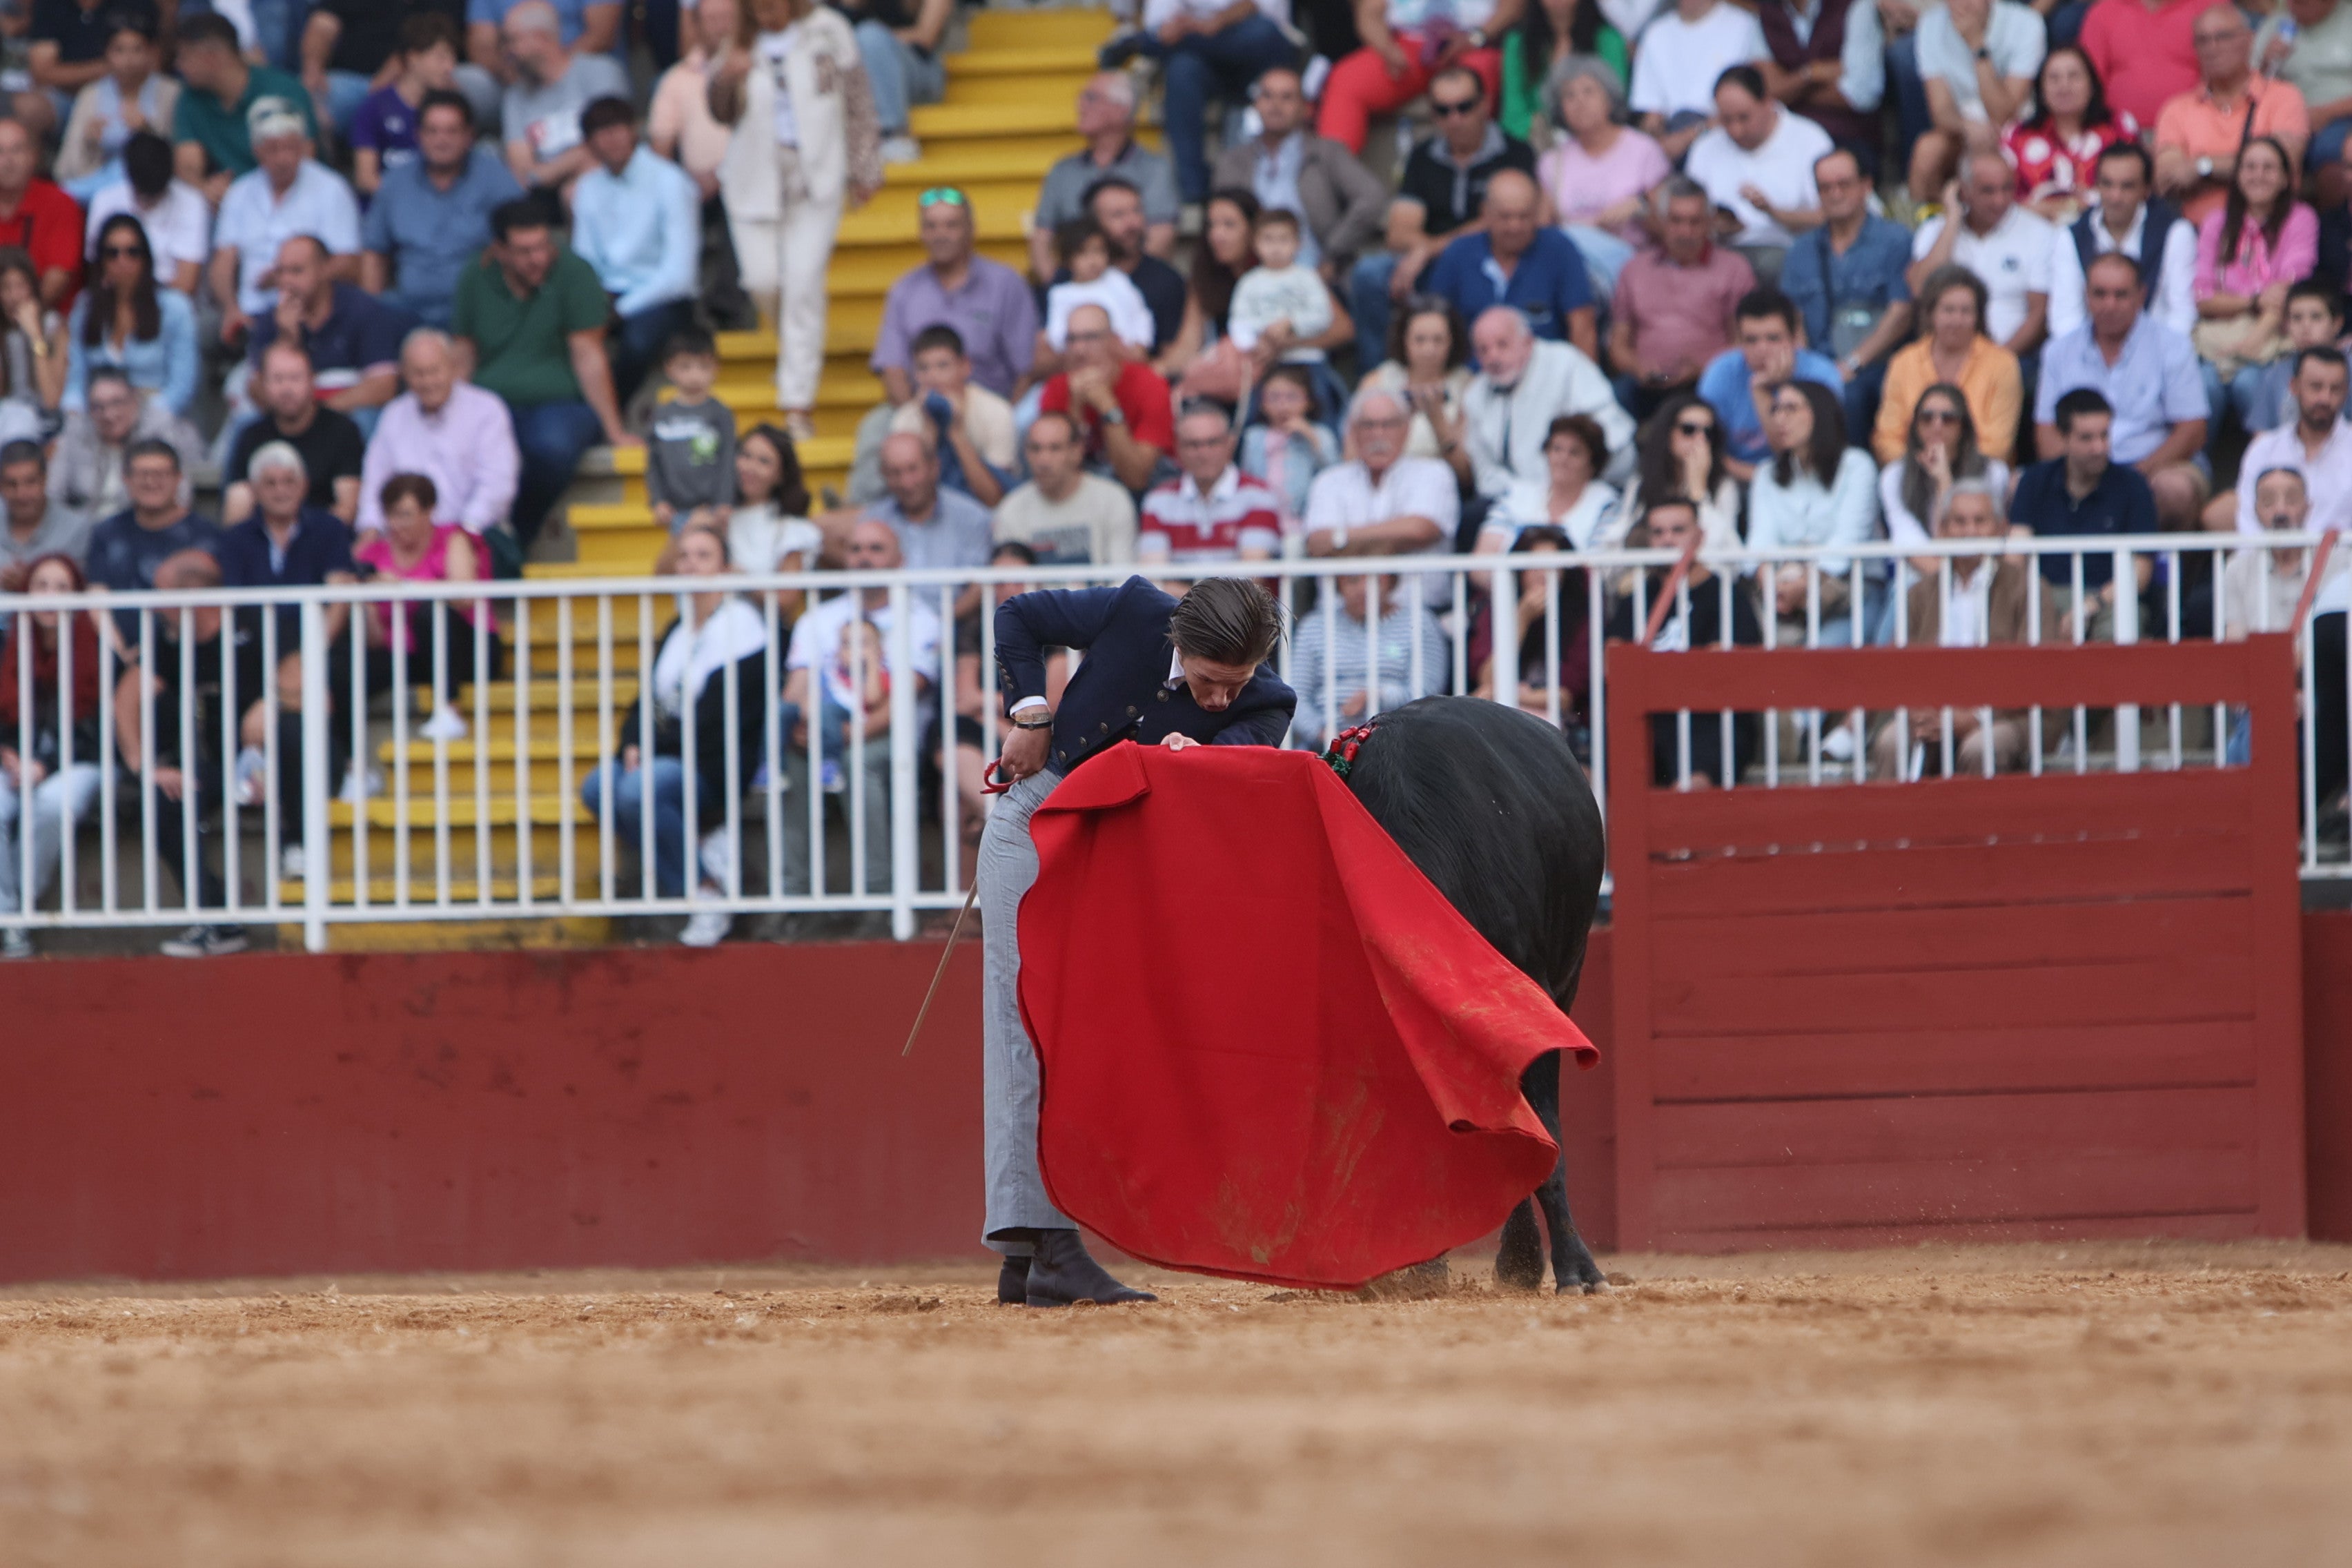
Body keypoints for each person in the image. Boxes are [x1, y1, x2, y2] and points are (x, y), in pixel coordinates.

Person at [983, 574, 1294, 1305]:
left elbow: (1247, 763)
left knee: (1087, 1041)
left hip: (1118, 867)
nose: (1221, 700)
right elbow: (1017, 616)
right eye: (1212, 683)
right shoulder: (1134, 609)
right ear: (1180, 646)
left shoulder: (1266, 698)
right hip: (1037, 820)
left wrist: (1207, 757)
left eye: (1235, 683)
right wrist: (1031, 713)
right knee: (1023, 1033)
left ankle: (1032, 1256)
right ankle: (1046, 1247)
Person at [584, 522, 767, 945]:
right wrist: (631, 742)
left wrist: (650, 749)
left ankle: (702, 893)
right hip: (666, 753)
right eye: (684, 556)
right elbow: (649, 699)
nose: (690, 565)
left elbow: (718, 715)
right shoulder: (677, 627)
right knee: (598, 787)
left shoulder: (741, 624)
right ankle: (703, 873)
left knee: (636, 792)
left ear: (726, 568)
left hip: (712, 761)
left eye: (703, 556)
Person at [711, 0, 883, 441]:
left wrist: (865, 168)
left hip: (818, 175)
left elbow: (857, 97)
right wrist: (728, 76)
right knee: (762, 281)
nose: (766, 13)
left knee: (804, 283)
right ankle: (795, 356)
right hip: (754, 179)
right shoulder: (737, 41)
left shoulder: (829, 30)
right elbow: (721, 114)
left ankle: (796, 402)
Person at [777, 517, 938, 912]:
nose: (864, 558)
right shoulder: (818, 617)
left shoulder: (920, 617)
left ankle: (879, 899)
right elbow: (797, 685)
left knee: (856, 762)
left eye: (876, 549)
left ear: (899, 560)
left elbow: (902, 699)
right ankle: (792, 901)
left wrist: (846, 735)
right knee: (788, 762)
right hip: (825, 727)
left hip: (891, 736)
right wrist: (800, 725)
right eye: (856, 549)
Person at [452, 198, 633, 547]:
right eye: (523, 251)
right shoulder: (475, 276)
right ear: (500, 250)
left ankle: (514, 537)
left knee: (551, 447)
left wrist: (615, 430)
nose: (537, 258)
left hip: (559, 402)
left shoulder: (575, 271)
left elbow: (588, 353)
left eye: (542, 247)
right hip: (491, 404)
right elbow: (463, 353)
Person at [216, 441, 360, 874]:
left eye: (289, 481)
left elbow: (340, 595)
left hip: (317, 649)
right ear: (255, 490)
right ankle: (330, 785)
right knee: (294, 729)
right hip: (255, 653)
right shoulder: (235, 538)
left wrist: (305, 660)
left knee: (309, 697)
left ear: (305, 486)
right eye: (270, 483)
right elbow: (236, 608)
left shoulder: (330, 529)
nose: (280, 490)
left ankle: (257, 755)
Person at [1351, 65, 1536, 373]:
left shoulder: (1514, 153)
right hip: (1433, 262)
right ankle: (1382, 378)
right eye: (1443, 110)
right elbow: (1398, 232)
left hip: (1489, 257)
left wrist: (1428, 248)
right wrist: (1425, 250)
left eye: (1465, 107)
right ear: (1433, 115)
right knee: (1369, 273)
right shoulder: (1423, 156)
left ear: (1485, 105)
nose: (1455, 119)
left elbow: (1503, 222)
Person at [112, 548, 245, 957]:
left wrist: (269, 707)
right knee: (164, 798)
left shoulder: (253, 625)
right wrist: (144, 766)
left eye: (162, 595)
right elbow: (125, 701)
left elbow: (300, 689)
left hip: (262, 761)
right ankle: (216, 918)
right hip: (206, 765)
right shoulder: (169, 641)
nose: (154, 607)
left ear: (193, 595)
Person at [1871, 480, 2053, 776]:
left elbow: (2034, 673)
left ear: (2000, 528)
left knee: (1981, 747)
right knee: (1892, 740)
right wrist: (1921, 712)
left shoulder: (2027, 588)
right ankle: (1895, 824)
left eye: (1980, 521)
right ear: (1942, 530)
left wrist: (1975, 718)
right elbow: (1899, 669)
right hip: (1931, 715)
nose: (1969, 531)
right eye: (1959, 522)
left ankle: (1977, 825)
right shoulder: (1920, 594)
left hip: (2003, 717)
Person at [2032, 253, 2208, 531]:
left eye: (2120, 295)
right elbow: (2046, 432)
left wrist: (2134, 475)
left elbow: (2192, 429)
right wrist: (2079, 474)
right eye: (2100, 294)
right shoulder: (2058, 351)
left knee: (2175, 491)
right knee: (2019, 488)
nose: (2109, 305)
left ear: (2141, 295)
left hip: (2155, 467)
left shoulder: (2173, 346)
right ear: (2086, 295)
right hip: (2077, 467)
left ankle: (2164, 574)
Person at [1602, 495, 1763, 784]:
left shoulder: (1728, 595)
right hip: (1646, 721)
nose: (1667, 540)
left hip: (1710, 722)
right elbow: (1612, 664)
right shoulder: (1636, 599)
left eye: (1678, 530)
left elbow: (1720, 670)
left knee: (1694, 784)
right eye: (1658, 532)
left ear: (1699, 536)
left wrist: (1651, 673)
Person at [0, 551, 102, 957]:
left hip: (80, 761)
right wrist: (7, 753)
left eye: (62, 587)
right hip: (15, 759)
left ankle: (18, 913)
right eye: (41, 585)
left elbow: (99, 735)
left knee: (52, 805)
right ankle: (7, 913)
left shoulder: (95, 647)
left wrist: (46, 766)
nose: (50, 596)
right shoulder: (6, 646)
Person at [1101, 0, 1297, 206]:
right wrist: (1191, 29)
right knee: (1181, 70)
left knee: (1261, 31)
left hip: (1259, 59)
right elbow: (1161, 26)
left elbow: (1266, 13)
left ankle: (1142, 44)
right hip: (1205, 62)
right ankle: (1194, 192)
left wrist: (1211, 24)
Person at [1776, 148, 1913, 444]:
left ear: (1866, 186)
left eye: (1844, 184)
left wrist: (1853, 363)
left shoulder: (1895, 240)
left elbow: (1901, 312)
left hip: (1876, 362)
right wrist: (1808, 367)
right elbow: (1792, 318)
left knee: (1852, 395)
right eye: (1825, 187)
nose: (1835, 194)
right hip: (1818, 361)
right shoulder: (1801, 251)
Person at [359, 89, 526, 330]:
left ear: (470, 136)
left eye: (452, 131)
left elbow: (523, 240)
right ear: (418, 135)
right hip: (409, 308)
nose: (441, 140)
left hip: (476, 310)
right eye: (432, 131)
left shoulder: (496, 179)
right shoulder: (395, 183)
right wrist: (369, 313)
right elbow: (374, 253)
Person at [569, 96, 701, 402]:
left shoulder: (670, 181)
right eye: (601, 133)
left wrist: (623, 308)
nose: (611, 139)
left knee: (637, 344)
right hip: (607, 295)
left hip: (661, 298)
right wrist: (596, 301)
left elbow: (680, 275)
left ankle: (605, 417)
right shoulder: (588, 187)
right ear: (589, 144)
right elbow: (585, 259)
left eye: (617, 129)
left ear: (633, 131)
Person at [2193, 135, 2320, 439]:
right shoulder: (2216, 222)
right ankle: (2196, 470)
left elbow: (2288, 292)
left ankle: (2271, 471)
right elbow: (2202, 297)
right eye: (2249, 167)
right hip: (2220, 339)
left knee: (2248, 383)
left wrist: (2250, 344)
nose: (2258, 175)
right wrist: (2254, 301)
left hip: (2273, 337)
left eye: (2268, 168)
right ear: (2237, 176)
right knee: (2205, 384)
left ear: (2285, 179)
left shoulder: (2300, 218)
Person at [1211, 66, 1387, 282]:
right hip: (1250, 277)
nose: (1276, 105)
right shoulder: (1232, 161)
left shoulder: (1326, 153)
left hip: (1318, 274)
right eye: (1267, 96)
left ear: (1305, 109)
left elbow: (1372, 198)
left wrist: (1333, 252)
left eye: (1287, 97)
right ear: (1256, 104)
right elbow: (1220, 220)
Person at [351, 471, 496, 730]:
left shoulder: (453, 539)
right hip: (406, 652)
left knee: (430, 613)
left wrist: (405, 588)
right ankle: (348, 762)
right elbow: (373, 637)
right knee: (347, 669)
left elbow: (464, 597)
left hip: (467, 647)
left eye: (406, 515)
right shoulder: (372, 554)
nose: (397, 524)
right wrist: (368, 597)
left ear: (429, 511)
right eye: (391, 515)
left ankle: (449, 710)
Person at [2011, 386, 2159, 637]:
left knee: (2120, 625)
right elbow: (2016, 556)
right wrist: (2035, 595)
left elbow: (2141, 572)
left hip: (2108, 599)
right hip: (2045, 595)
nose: (2099, 447)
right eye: (2086, 438)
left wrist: (2092, 605)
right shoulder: (2034, 481)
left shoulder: (2133, 486)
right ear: (2063, 437)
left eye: (2104, 436)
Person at [208, 109, 362, 348]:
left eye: (290, 148)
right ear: (257, 151)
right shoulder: (240, 192)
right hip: (251, 313)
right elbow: (223, 259)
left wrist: (288, 278)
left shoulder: (332, 189)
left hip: (313, 312)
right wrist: (231, 308)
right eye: (273, 149)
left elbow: (349, 263)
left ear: (304, 148)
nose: (283, 158)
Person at [1607, 178, 1757, 421]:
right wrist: (1638, 367)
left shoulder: (1734, 269)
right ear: (1662, 222)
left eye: (1695, 222)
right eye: (1676, 221)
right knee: (1608, 402)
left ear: (1709, 223)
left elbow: (1745, 342)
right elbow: (1618, 345)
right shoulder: (1634, 270)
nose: (1685, 232)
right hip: (1644, 384)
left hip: (1709, 381)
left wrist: (1702, 366)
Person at [872, 187, 1037, 406]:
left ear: (971, 229)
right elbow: (892, 368)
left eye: (951, 225)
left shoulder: (1005, 284)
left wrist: (1007, 420)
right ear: (921, 232)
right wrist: (916, 420)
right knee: (873, 433)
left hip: (989, 406)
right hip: (921, 405)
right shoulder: (904, 289)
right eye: (931, 226)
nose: (941, 235)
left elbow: (1027, 369)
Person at [1747, 379, 1881, 646]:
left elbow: (1846, 543)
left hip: (1850, 593)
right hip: (1786, 598)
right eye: (1775, 410)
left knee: (1820, 656)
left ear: (1820, 413)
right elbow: (1760, 543)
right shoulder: (1766, 474)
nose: (1780, 419)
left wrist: (1802, 584)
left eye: (1791, 409)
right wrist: (1775, 585)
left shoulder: (1857, 466)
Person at [2154, 4, 2309, 227]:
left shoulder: (2283, 97)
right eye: (2203, 40)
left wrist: (2201, 166)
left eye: (2223, 37)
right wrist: (2245, 170)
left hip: (2267, 232)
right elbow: (2167, 178)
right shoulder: (2177, 109)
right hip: (2196, 234)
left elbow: (2284, 163)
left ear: (2249, 39)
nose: (2213, 47)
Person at [357, 327, 522, 536]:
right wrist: (371, 528)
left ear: (453, 368)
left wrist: (462, 534)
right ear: (405, 375)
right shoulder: (394, 415)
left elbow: (497, 487)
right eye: (418, 373)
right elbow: (376, 483)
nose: (427, 382)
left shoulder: (487, 410)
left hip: (477, 532)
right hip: (408, 541)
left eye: (434, 371)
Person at [1464, 304, 1634, 502]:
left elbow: (1613, 437)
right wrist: (1527, 494)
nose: (1493, 357)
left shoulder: (1565, 364)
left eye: (1502, 345)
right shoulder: (1475, 395)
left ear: (1527, 342)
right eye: (1483, 350)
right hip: (1516, 500)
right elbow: (1485, 473)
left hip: (1585, 490)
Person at [246, 235, 414, 435]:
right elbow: (257, 390)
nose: (286, 281)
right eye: (281, 272)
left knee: (364, 420)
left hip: (345, 414)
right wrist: (287, 340)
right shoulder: (271, 319)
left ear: (324, 269)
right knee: (245, 424)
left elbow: (383, 385)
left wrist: (318, 416)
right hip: (290, 416)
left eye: (297, 271)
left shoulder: (363, 310)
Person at [1683, 65, 1830, 286]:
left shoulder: (1809, 141)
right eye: (1726, 120)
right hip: (1719, 255)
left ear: (1768, 103)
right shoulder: (1705, 147)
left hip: (1787, 251)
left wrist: (1773, 212)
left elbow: (1828, 216)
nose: (1735, 131)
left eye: (1744, 118)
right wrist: (1717, 224)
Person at [1536, 57, 1665, 308]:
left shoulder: (1643, 150)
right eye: (1569, 96)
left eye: (1589, 91)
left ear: (1609, 98)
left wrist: (1640, 210)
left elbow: (1668, 227)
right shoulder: (1553, 162)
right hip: (1574, 268)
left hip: (1632, 266)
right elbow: (1544, 231)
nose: (1579, 102)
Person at [1426, 168, 1596, 359]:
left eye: (1524, 216)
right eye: (1505, 217)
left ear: (1536, 213)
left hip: (1544, 376)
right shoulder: (1459, 253)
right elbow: (1433, 322)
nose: (1515, 226)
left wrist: (1584, 383)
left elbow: (1583, 327)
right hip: (1472, 377)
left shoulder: (1559, 249)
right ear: (1486, 213)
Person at [1908, 149, 2055, 364]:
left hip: (2012, 357)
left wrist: (1995, 363)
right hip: (1942, 359)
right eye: (1988, 191)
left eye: (2007, 189)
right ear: (1963, 191)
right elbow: (1920, 288)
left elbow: (2038, 314)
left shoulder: (2039, 232)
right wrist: (1953, 219)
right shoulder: (1934, 230)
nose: (2000, 200)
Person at [1028, 72, 1181, 275]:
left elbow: (1161, 237)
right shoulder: (1062, 171)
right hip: (1076, 288)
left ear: (1122, 110)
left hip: (1136, 286)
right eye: (1081, 97)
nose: (1081, 105)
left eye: (1091, 98)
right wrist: (1059, 286)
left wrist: (1118, 287)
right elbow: (1041, 239)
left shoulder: (1154, 168)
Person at [1874, 264, 2026, 464]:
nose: (1957, 320)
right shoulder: (1903, 362)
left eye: (1966, 311)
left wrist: (1949, 467)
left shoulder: (2003, 364)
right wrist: (1922, 464)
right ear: (1931, 314)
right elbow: (1887, 437)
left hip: (1978, 473)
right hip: (1915, 470)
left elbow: (1999, 444)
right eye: (1948, 310)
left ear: (1978, 316)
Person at [2047, 141, 2197, 341]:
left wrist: (2156, 359)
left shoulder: (2175, 232)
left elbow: (2182, 313)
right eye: (2107, 184)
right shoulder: (2071, 236)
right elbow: (2065, 318)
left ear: (2146, 190)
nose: (2115, 196)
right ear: (2096, 186)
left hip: (2158, 352)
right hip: (2090, 356)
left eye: (2127, 186)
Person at [1315, 0, 1506, 155]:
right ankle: (1331, 177)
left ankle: (1481, 168)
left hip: (1475, 44)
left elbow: (1514, 6)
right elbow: (1369, 12)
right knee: (1347, 80)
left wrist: (1476, 37)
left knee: (1480, 75)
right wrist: (1386, 47)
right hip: (1409, 44)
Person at [1288, 571, 1449, 748]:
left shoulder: (1420, 622)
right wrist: (1327, 735)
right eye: (1353, 580)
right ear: (1338, 584)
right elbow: (1297, 696)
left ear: (1391, 580)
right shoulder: (1314, 626)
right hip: (1325, 743)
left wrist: (1377, 695)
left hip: (1399, 742)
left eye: (1375, 579)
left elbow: (1427, 692)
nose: (1363, 589)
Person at [1905, 0, 2044, 204]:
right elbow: (1941, 111)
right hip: (1964, 131)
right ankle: (1926, 227)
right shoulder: (1931, 25)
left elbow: (2003, 113)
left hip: (2017, 131)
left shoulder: (2027, 23)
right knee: (1927, 150)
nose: (1964, 4)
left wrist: (1977, 46)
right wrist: (1967, 127)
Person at [170, 14, 319, 204]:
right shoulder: (190, 98)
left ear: (211, 58)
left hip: (294, 197)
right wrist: (208, 189)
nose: (178, 66)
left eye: (184, 57)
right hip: (230, 203)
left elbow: (305, 160)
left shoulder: (285, 90)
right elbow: (187, 167)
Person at [1698, 286, 1841, 479]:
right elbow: (1703, 446)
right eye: (1751, 340)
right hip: (1736, 478)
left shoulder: (1822, 375)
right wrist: (1761, 480)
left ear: (1794, 338)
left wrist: (1761, 390)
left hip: (1803, 479)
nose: (1762, 349)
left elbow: (1814, 453)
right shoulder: (1720, 373)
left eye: (1773, 338)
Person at [347, 13, 496, 195]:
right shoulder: (375, 108)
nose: (450, 67)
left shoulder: (455, 106)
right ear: (413, 58)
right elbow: (366, 179)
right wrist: (415, 202)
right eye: (441, 58)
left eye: (452, 59)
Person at [1304, 386, 1460, 559]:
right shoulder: (1329, 480)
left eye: (1389, 425)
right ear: (1353, 431)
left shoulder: (1433, 472)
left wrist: (1341, 538)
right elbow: (1318, 544)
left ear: (1407, 429)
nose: (1378, 434)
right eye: (1368, 425)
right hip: (1343, 587)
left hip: (1417, 587)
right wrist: (1393, 536)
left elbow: (1419, 530)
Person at [62, 213, 192, 421]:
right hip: (99, 417)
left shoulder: (174, 307)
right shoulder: (85, 306)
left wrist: (139, 419)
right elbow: (76, 379)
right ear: (101, 261)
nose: (122, 261)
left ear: (146, 257)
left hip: (157, 417)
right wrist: (73, 412)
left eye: (132, 252)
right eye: (112, 253)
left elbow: (181, 386)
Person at [1037, 302, 1175, 496]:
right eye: (1072, 339)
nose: (1079, 350)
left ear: (1114, 341)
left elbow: (1137, 479)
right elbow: (1060, 476)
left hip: (1151, 489)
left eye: (1090, 338)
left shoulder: (1150, 384)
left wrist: (1108, 408)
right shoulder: (1057, 388)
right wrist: (1075, 407)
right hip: (1084, 492)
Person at [308, 1, 493, 144]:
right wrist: (312, 68)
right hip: (356, 82)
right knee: (312, 100)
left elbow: (441, 39)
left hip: (423, 73)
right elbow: (322, 26)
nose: (450, 65)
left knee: (475, 82)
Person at [224, 341, 367, 525]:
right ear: (263, 383)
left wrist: (298, 539)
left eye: (295, 378)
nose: (286, 389)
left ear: (312, 380)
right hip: (265, 541)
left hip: (324, 540)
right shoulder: (251, 436)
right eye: (278, 379)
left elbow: (347, 510)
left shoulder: (342, 431)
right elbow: (237, 508)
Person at [498, 0, 630, 192]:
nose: (508, 51)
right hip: (544, 196)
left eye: (513, 41)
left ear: (540, 37)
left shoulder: (600, 72)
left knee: (581, 186)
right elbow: (522, 170)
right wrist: (576, 159)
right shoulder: (515, 97)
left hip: (610, 182)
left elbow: (612, 141)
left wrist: (546, 172)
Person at [2006, 43, 2140, 225]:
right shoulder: (2016, 136)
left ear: (2091, 86)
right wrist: (2072, 206)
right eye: (2054, 78)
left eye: (2074, 76)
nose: (2064, 86)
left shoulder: (2118, 128)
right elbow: (2003, 202)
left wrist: (2055, 207)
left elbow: (2135, 190)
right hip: (2032, 234)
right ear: (2041, 90)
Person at [1137, 402, 1282, 566]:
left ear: (1230, 444)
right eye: (1193, 444)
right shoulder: (1158, 501)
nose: (1203, 453)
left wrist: (1186, 591)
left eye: (1212, 443)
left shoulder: (1259, 496)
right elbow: (1155, 576)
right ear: (1177, 448)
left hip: (1195, 593)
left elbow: (1251, 579)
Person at [1597, 393, 1743, 552]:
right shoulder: (1642, 483)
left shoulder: (1723, 486)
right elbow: (1616, 543)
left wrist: (1699, 494)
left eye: (1708, 433)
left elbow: (1726, 548)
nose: (1700, 439)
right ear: (1668, 433)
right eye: (1689, 430)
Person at [888, 324, 1015, 507]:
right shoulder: (906, 418)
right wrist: (929, 430)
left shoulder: (997, 412)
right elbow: (911, 496)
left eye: (943, 366)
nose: (933, 377)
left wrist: (956, 433)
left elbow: (995, 499)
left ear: (965, 367)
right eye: (923, 368)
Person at [2231, 345, 2352, 535]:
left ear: (2346, 392)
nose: (2325, 398)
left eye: (2335, 389)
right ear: (2294, 386)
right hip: (2268, 562)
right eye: (2316, 387)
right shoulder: (2263, 450)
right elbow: (2247, 524)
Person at [52, 11, 176, 196]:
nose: (128, 60)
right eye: (119, 50)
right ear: (107, 53)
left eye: (137, 50)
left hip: (153, 189)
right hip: (100, 188)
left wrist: (148, 133)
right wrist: (89, 143)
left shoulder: (171, 92)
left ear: (151, 52)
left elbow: (178, 158)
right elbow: (65, 170)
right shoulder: (91, 95)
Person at [994, 411, 1139, 567]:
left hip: (1100, 592)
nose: (1043, 460)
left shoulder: (1113, 501)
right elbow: (1009, 585)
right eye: (1036, 449)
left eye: (1055, 448)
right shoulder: (1011, 509)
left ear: (1077, 451)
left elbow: (1122, 575)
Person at [1630, 0, 1769, 163]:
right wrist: (1659, 144)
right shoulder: (1656, 32)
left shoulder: (1744, 24)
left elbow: (1748, 103)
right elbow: (1650, 112)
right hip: (1671, 142)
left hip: (1726, 135)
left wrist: (1690, 135)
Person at [52, 367, 199, 520]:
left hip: (141, 528)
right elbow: (54, 493)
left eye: (117, 403)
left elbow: (182, 494)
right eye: (98, 407)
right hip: (84, 530)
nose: (108, 415)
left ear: (135, 400)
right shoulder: (75, 431)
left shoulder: (159, 429)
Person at [1879, 380, 2014, 544]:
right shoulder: (1895, 475)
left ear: (1963, 426)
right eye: (1927, 418)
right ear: (1916, 425)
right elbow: (1910, 541)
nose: (1937, 426)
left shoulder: (1993, 471)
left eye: (1948, 419)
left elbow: (1976, 538)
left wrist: (1943, 480)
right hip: (1918, 567)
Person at [1358, 295, 1473, 486]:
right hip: (1381, 482)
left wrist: (1438, 422)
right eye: (1420, 340)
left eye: (1438, 340)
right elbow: (1352, 457)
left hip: (1441, 485)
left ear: (1452, 342)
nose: (1429, 350)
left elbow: (1465, 475)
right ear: (1404, 340)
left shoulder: (1468, 386)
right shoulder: (1377, 382)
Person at [1754, 0, 1885, 159]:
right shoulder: (1766, 13)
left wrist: (1789, 87)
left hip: (1847, 143)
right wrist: (1811, 74)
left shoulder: (1856, 6)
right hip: (1786, 141)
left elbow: (1862, 95)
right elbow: (1767, 92)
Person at [81, 133, 206, 297]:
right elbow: (96, 272)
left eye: (154, 197)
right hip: (113, 300)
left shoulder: (192, 203)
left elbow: (186, 285)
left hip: (168, 301)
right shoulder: (104, 201)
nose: (147, 201)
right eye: (142, 194)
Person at [640, 329, 736, 538]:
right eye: (685, 367)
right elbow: (654, 464)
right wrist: (658, 501)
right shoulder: (661, 415)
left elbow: (729, 459)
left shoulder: (720, 413)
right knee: (684, 563)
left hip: (713, 510)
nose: (695, 375)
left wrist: (724, 501)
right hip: (676, 511)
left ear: (716, 369)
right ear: (669, 369)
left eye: (704, 367)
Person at [2079, 0, 2227, 132]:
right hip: (2119, 138)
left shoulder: (2211, 8)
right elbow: (2088, 82)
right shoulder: (2103, 12)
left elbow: (2226, 75)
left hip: (2195, 130)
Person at [2257, 0, 2352, 202]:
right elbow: (2247, 88)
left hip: (2343, 117)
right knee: (2264, 155)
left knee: (2332, 156)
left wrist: (2328, 113)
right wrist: (2266, 65)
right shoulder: (2275, 25)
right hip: (2284, 118)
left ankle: (2336, 231)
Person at [1500, 0, 1629, 141]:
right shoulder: (1517, 42)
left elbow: (1616, 104)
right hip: (1535, 143)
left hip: (1597, 140)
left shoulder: (1609, 40)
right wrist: (1547, 135)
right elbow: (1512, 115)